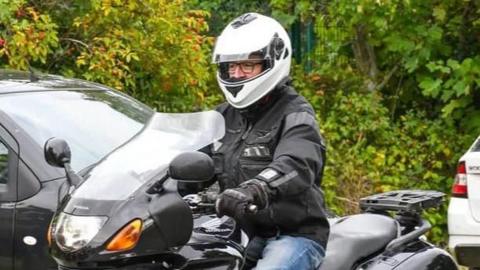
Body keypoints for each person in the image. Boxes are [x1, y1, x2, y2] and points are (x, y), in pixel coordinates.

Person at [211, 12, 329, 270]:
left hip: (294, 234)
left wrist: (256, 188)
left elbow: (297, 164)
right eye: (231, 66)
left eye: (247, 66)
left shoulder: (296, 113)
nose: (237, 74)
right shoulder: (222, 117)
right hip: (240, 232)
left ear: (271, 63)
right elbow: (192, 157)